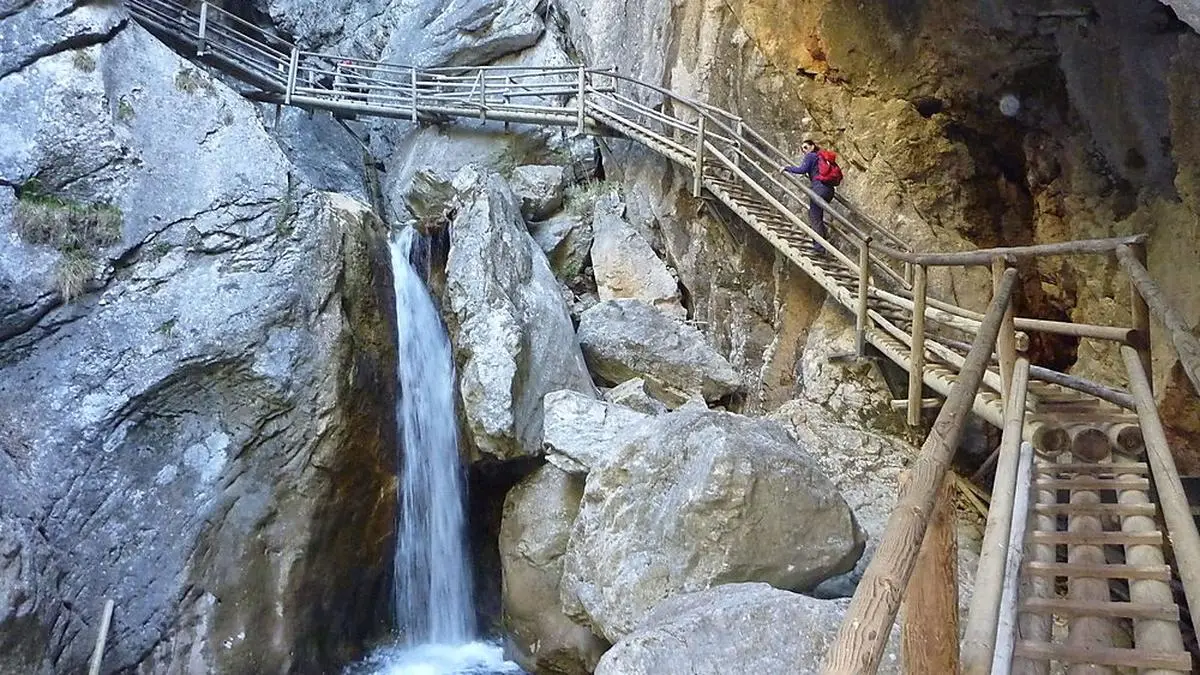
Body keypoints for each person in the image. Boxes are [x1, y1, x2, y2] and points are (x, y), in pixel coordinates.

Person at [782, 139, 842, 254]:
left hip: (819, 189)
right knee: (817, 216)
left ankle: (819, 247)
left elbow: (802, 170)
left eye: (805, 147)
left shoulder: (811, 156)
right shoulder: (821, 157)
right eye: (802, 149)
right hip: (829, 190)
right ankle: (823, 238)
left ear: (812, 146)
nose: (804, 151)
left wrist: (786, 168)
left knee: (814, 217)